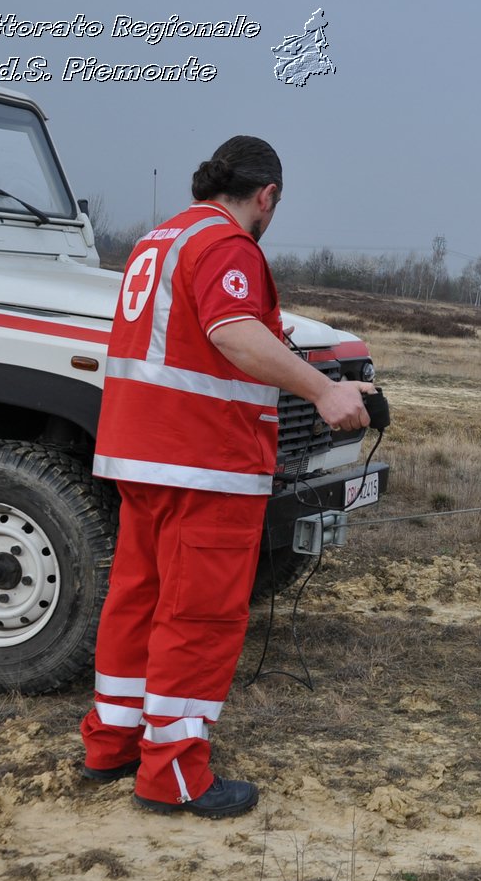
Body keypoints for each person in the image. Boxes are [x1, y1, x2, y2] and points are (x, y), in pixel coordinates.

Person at [78, 137, 371, 816]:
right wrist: (324, 394)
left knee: (138, 601)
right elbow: (232, 330)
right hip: (202, 462)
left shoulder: (161, 239)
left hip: (140, 455)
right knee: (199, 616)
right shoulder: (229, 245)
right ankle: (173, 774)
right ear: (266, 195)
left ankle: (112, 743)